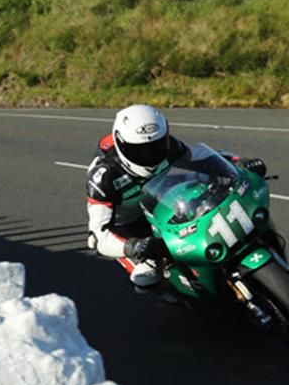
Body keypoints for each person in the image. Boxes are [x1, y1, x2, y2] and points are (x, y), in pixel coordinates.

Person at [86, 104, 266, 290]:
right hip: (129, 228)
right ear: (120, 143)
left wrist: (240, 163)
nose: (149, 155)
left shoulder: (169, 146)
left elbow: (201, 158)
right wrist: (133, 246)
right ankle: (180, 292)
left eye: (156, 147)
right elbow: (98, 236)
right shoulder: (103, 177)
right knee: (145, 278)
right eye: (139, 151)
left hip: (164, 204)